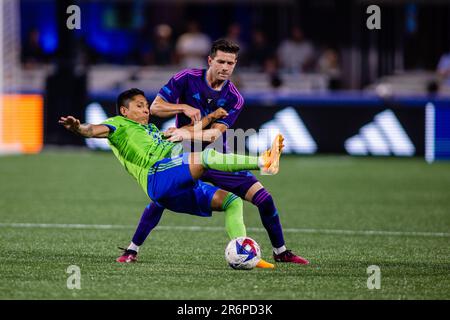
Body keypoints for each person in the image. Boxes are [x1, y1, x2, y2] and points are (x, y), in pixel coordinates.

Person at [123, 39, 309, 265]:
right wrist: (182, 107)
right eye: (221, 61)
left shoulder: (234, 98)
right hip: (183, 156)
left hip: (218, 158)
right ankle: (132, 250)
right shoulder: (187, 78)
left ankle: (280, 252)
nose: (225, 67)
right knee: (160, 198)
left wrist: (185, 133)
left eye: (230, 63)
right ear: (210, 60)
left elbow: (213, 135)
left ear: (235, 64)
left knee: (265, 199)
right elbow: (156, 107)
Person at [59, 88, 282, 268]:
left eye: (146, 106)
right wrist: (78, 128)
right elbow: (92, 130)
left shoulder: (153, 131)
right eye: (139, 106)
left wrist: (211, 116)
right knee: (204, 157)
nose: (146, 110)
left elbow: (186, 130)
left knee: (231, 202)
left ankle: (243, 253)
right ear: (124, 111)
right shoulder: (118, 124)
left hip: (174, 181)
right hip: (156, 174)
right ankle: (264, 161)